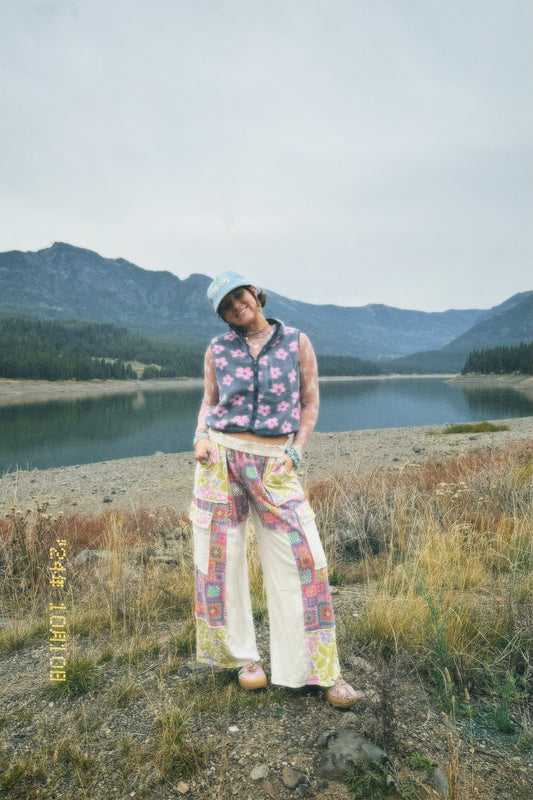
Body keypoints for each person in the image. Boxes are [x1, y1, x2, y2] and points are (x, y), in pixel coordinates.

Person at [190, 270, 358, 707]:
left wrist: (297, 451)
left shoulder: (297, 342)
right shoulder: (217, 349)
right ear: (222, 315)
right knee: (218, 559)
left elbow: (310, 402)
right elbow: (210, 400)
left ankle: (319, 668)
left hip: (275, 464)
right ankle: (244, 658)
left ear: (255, 293)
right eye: (225, 304)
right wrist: (200, 438)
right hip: (220, 458)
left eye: (238, 294)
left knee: (306, 558)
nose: (235, 305)